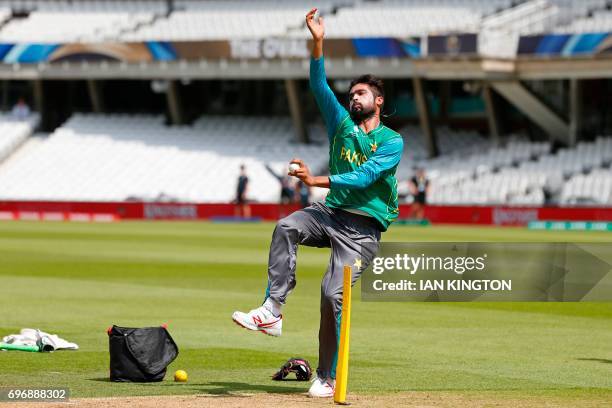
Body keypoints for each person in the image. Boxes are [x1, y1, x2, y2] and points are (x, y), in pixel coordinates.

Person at [232, 8, 403, 398]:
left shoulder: (393, 141)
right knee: (287, 225)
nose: (353, 97)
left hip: (363, 230)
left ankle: (326, 376)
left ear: (378, 100)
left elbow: (365, 177)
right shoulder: (340, 124)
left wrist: (316, 180)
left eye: (360, 93)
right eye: (351, 94)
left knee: (331, 294)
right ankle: (272, 311)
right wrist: (318, 41)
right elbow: (317, 82)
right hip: (330, 213)